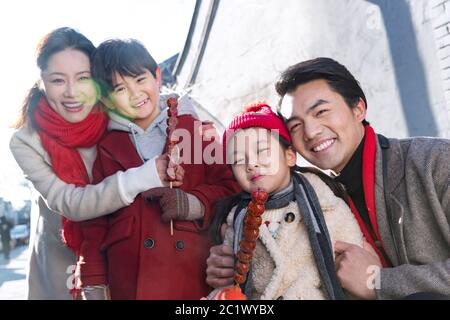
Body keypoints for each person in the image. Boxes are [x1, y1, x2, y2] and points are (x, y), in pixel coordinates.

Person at [206, 57, 450, 300]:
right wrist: (234, 260)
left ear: (359, 108)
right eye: (296, 125)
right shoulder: (319, 192)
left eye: (321, 112)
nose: (311, 132)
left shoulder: (435, 161)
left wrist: (378, 281)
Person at [9, 28, 183, 300]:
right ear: (41, 82)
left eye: (83, 78)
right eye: (57, 80)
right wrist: (142, 177)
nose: (72, 92)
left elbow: (154, 106)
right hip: (63, 263)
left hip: (130, 258)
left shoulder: (116, 109)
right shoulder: (26, 141)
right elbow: (70, 202)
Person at [76, 39, 239, 300]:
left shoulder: (196, 129)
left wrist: (194, 203)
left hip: (192, 273)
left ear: (157, 76)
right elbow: (95, 223)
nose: (135, 94)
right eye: (120, 88)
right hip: (128, 279)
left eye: (140, 79)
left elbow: (231, 187)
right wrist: (93, 282)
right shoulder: (106, 147)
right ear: (106, 99)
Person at [207, 102, 365, 300]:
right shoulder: (237, 222)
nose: (251, 164)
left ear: (290, 156)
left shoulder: (326, 205)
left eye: (262, 150)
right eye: (239, 161)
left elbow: (354, 269)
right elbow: (231, 285)